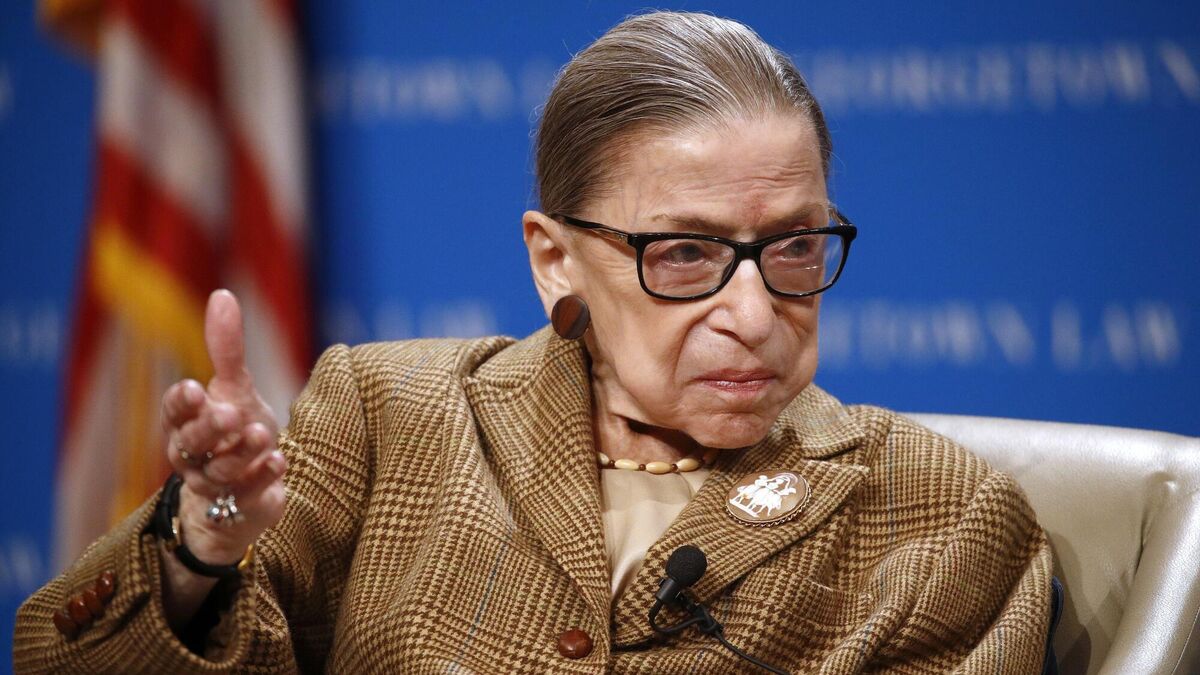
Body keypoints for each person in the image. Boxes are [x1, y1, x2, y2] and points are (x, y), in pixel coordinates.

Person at [15, 11, 1054, 674]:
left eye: (792, 246)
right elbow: (61, 659)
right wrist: (202, 546)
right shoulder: (388, 418)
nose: (752, 311)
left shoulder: (939, 518)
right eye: (684, 253)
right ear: (556, 260)